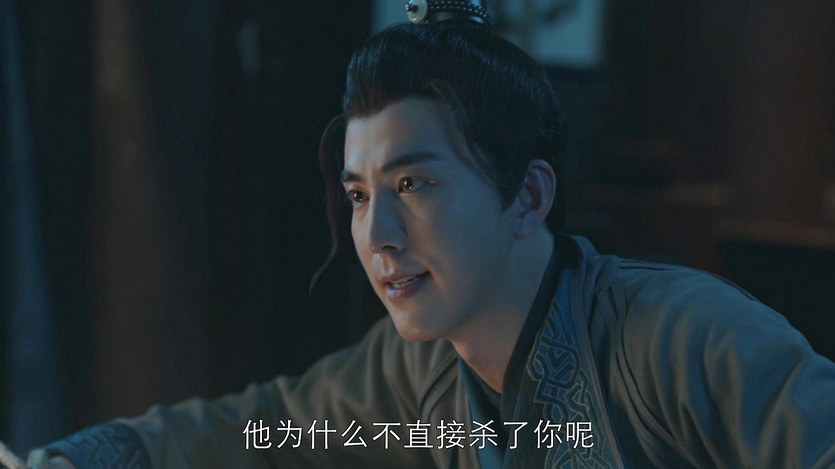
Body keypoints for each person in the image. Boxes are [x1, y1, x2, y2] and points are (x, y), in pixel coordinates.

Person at [20, 1, 835, 468]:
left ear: (528, 195)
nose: (377, 233)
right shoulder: (412, 370)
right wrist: (81, 458)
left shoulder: (680, 336)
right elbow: (267, 427)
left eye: (413, 184)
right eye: (358, 193)